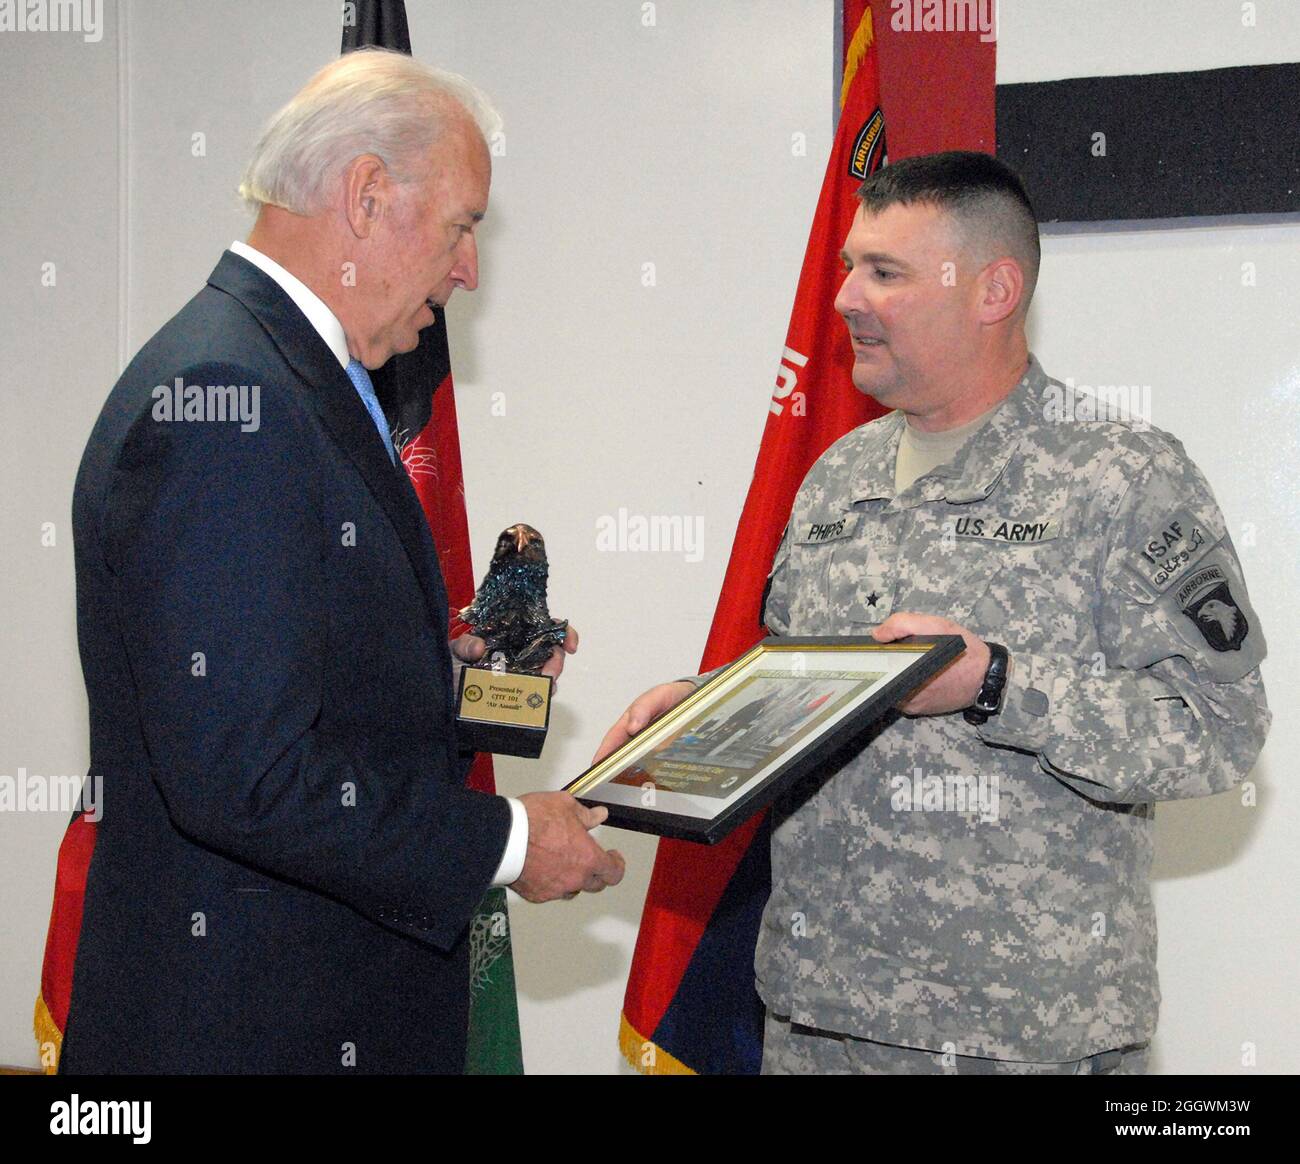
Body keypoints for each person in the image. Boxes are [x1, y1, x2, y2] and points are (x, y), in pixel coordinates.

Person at [597, 152, 1270, 1075]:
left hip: (1019, 1037)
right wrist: (702, 703)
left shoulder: (1122, 475)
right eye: (848, 267)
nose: (844, 299)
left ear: (994, 289)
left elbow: (1220, 732)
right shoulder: (841, 473)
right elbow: (819, 683)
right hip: (816, 1013)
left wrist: (997, 682)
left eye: (885, 273)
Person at [63, 49, 623, 1075]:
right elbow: (247, 777)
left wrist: (460, 682)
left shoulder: (277, 371)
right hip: (248, 1032)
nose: (468, 271)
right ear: (368, 196)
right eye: (462, 227)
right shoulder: (231, 402)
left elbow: (285, 693)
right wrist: (505, 843)